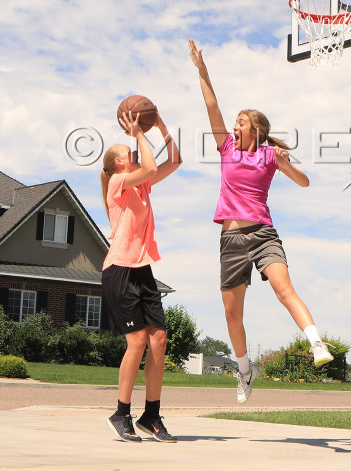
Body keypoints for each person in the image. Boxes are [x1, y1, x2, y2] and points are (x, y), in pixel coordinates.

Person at [188, 39, 333, 404]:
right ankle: (244, 369)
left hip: (263, 233)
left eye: (241, 123)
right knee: (231, 313)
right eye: (235, 122)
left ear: (256, 130)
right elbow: (211, 104)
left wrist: (284, 163)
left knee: (285, 290)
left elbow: (304, 182)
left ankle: (316, 342)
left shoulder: (270, 155)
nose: (234, 126)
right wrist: (201, 70)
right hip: (232, 239)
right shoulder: (226, 148)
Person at [100, 108, 181, 442]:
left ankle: (151, 415)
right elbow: (148, 165)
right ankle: (121, 413)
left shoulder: (142, 186)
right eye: (128, 152)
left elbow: (174, 161)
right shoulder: (119, 183)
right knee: (136, 342)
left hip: (142, 270)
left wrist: (160, 125)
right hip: (119, 271)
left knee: (158, 341)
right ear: (119, 164)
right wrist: (137, 134)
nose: (133, 151)